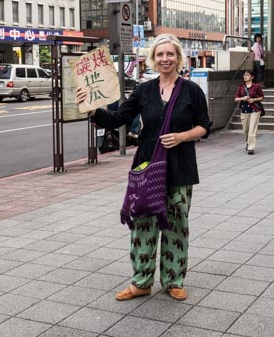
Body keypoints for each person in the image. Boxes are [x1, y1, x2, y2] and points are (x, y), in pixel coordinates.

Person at [75, 33, 210, 302]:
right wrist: (92, 109)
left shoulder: (191, 90)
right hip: (148, 165)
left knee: (176, 225)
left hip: (180, 165)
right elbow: (118, 118)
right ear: (153, 59)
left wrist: (182, 136)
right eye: (160, 54)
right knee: (143, 223)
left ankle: (173, 280)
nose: (165, 59)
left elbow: (204, 126)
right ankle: (141, 281)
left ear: (178, 58)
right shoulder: (143, 91)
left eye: (170, 54)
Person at [234, 69, 264, 154]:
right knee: (245, 130)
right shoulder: (241, 87)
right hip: (244, 110)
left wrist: (253, 100)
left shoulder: (256, 86)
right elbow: (236, 99)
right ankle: (248, 142)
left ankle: (251, 147)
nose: (245, 76)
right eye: (244, 75)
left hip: (254, 110)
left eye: (247, 75)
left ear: (252, 77)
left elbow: (262, 97)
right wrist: (242, 98)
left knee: (252, 130)